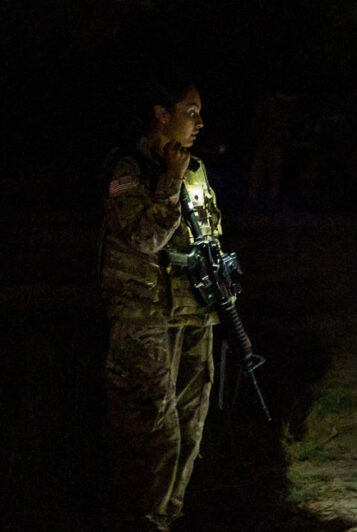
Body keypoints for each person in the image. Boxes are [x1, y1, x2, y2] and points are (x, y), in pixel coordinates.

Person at [99, 78, 220, 531]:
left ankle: (170, 515)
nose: (199, 123)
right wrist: (169, 182)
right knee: (156, 434)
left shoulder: (196, 169)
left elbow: (207, 237)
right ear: (161, 115)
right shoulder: (128, 170)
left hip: (192, 317)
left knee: (191, 429)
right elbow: (146, 238)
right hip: (144, 319)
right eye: (190, 111)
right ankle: (144, 520)